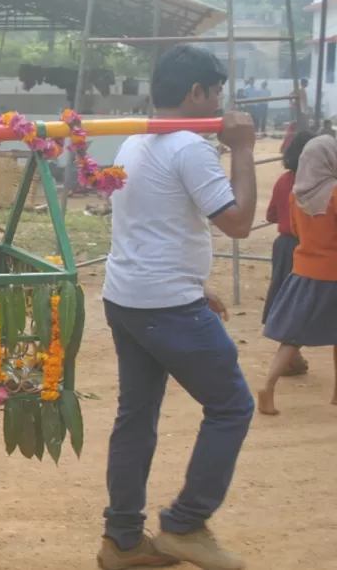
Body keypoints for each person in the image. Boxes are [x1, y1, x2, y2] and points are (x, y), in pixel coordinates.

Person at [98, 45, 257, 570]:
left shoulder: (136, 142)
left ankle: (122, 541)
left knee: (135, 416)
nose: (219, 103)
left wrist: (196, 283)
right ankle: (185, 525)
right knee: (232, 405)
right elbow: (236, 224)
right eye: (217, 93)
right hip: (164, 305)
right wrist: (241, 150)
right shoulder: (189, 147)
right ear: (198, 93)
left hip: (128, 298)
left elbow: (153, 226)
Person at [260, 134, 337, 415]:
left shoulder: (297, 194)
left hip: (303, 268)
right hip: (333, 271)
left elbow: (293, 229)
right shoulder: (335, 192)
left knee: (294, 335)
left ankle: (268, 384)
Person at [263, 130, 314, 377]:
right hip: (307, 247)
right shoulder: (317, 183)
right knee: (304, 299)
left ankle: (292, 357)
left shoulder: (284, 180)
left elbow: (270, 215)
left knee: (283, 295)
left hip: (283, 245)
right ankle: (290, 357)